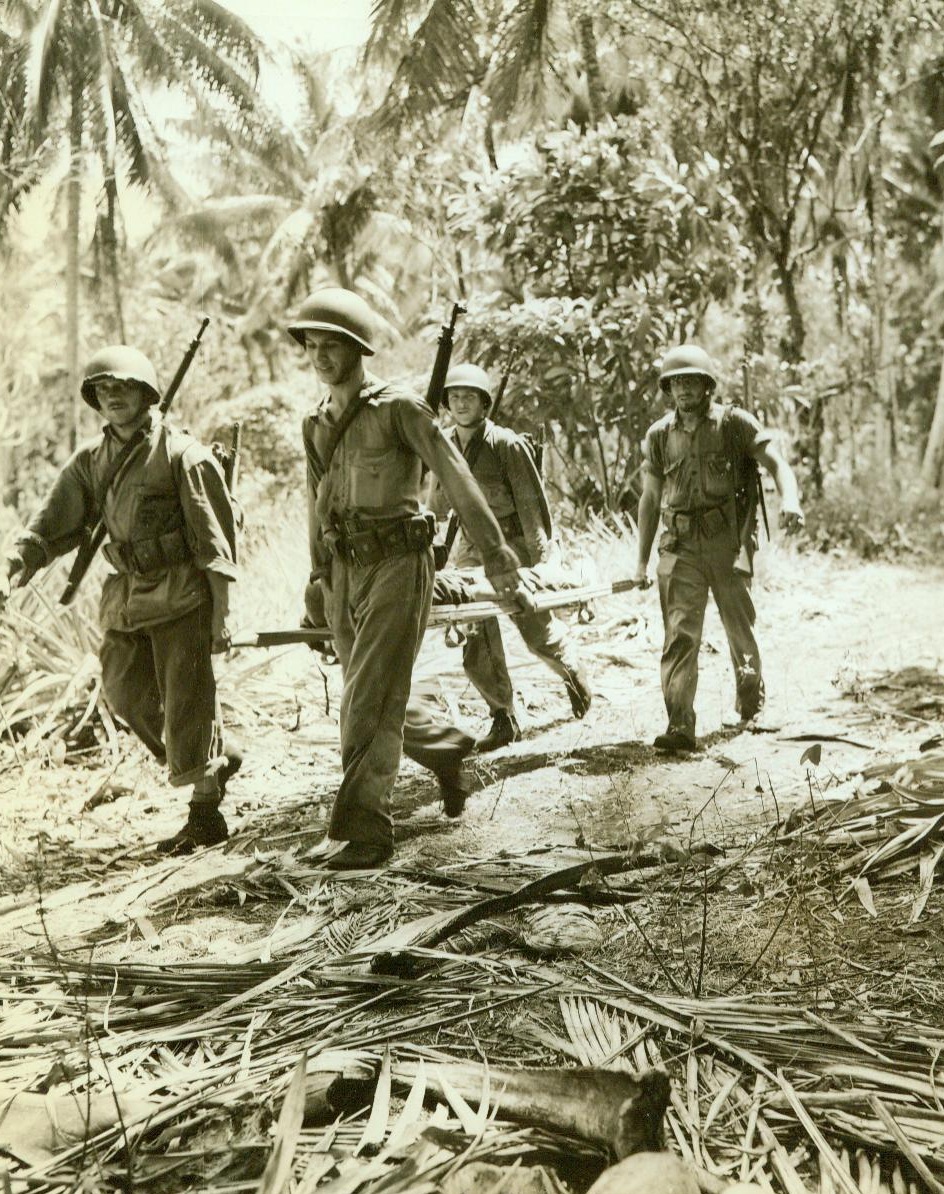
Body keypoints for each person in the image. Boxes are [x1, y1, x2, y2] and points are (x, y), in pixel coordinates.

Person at [290, 288, 535, 871]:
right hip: (347, 569)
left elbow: (457, 479)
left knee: (368, 696)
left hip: (401, 563)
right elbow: (316, 503)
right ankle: (446, 749)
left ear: (358, 349)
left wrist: (500, 562)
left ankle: (364, 830)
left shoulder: (399, 409)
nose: (321, 357)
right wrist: (317, 579)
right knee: (369, 690)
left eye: (333, 346)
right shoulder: (316, 424)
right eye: (313, 346)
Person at [0, 346, 240, 851]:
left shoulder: (182, 456)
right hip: (127, 596)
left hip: (181, 594)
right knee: (125, 693)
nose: (112, 397)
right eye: (103, 390)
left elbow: (214, 545)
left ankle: (205, 814)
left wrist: (222, 617)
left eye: (123, 387)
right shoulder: (91, 460)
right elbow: (52, 525)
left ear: (147, 394)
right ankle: (216, 758)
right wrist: (14, 563)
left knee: (187, 701)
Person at [634, 344, 804, 752]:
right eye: (677, 383)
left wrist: (792, 501)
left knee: (738, 626)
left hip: (726, 543)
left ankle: (750, 705)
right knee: (679, 634)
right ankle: (679, 726)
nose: (685, 390)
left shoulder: (734, 424)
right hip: (679, 545)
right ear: (668, 389)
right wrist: (640, 562)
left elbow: (777, 464)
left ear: (707, 386)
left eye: (692, 381)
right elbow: (650, 498)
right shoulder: (659, 436)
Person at [431, 363, 592, 751]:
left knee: (536, 630)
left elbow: (531, 507)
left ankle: (571, 672)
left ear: (485, 403)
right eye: (454, 396)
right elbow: (436, 505)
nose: (461, 402)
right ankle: (503, 717)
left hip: (513, 544)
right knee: (475, 629)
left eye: (469, 396)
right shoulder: (443, 446)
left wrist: (541, 565)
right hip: (471, 548)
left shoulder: (506, 444)